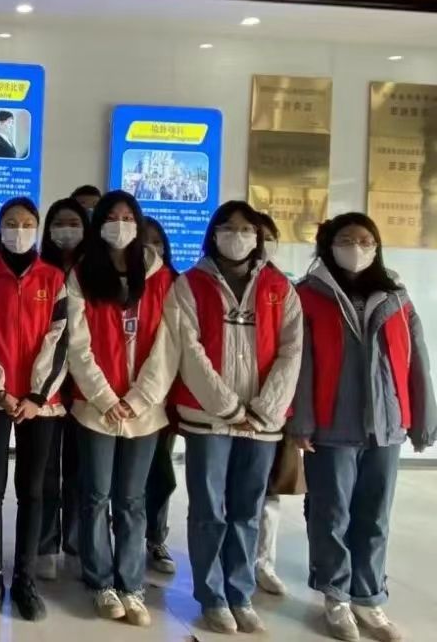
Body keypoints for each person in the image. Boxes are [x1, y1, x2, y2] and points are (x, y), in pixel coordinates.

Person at [289, 214, 436, 642]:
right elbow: (300, 364)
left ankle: (368, 597)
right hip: (331, 423)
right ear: (329, 245)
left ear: (377, 246)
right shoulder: (309, 294)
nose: (357, 247)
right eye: (347, 239)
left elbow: (417, 359)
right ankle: (335, 595)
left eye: (366, 240)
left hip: (385, 426)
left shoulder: (396, 296)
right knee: (331, 513)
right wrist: (302, 421)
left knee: (375, 515)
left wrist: (423, 419)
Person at [167, 200, 302, 635]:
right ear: (213, 233)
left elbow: (292, 352)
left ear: (258, 236)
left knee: (247, 509)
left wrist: (262, 410)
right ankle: (212, 597)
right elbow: (188, 350)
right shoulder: (189, 284)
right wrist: (227, 406)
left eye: (246, 229)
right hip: (208, 416)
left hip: (262, 422)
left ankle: (240, 593)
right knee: (209, 510)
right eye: (227, 227)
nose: (237, 236)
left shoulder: (280, 287)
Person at [67, 192, 175, 627]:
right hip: (96, 407)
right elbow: (77, 344)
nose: (120, 224)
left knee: (132, 499)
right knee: (95, 496)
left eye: (128, 216)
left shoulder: (161, 278)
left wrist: (138, 398)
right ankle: (100, 582)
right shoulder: (81, 274)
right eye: (111, 217)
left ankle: (132, 584)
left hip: (144, 409)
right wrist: (107, 398)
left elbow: (168, 346)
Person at [0, 197, 68, 622]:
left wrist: (36, 396)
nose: (19, 230)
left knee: (33, 490)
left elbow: (60, 338)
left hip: (39, 404)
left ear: (37, 228)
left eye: (27, 223)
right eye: (11, 223)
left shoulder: (54, 277)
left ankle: (25, 578)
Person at [34, 198, 88, 582]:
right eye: (59, 223)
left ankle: (77, 541)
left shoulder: (94, 272)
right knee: (47, 470)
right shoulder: (41, 272)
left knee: (81, 471)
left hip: (85, 386)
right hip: (48, 388)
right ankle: (46, 544)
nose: (66, 230)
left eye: (74, 222)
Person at [252, 211, 305, 596]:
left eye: (267, 236)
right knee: (227, 495)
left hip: (275, 410)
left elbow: (294, 354)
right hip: (226, 410)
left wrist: (270, 405)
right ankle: (230, 559)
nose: (259, 242)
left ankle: (263, 563)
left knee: (268, 491)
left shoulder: (288, 289)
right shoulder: (213, 285)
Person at [143, 216, 180, 576]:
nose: (150, 247)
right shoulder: (116, 281)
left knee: (160, 473)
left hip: (161, 397)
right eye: (144, 240)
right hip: (118, 396)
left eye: (156, 241)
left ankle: (155, 537)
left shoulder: (176, 284)